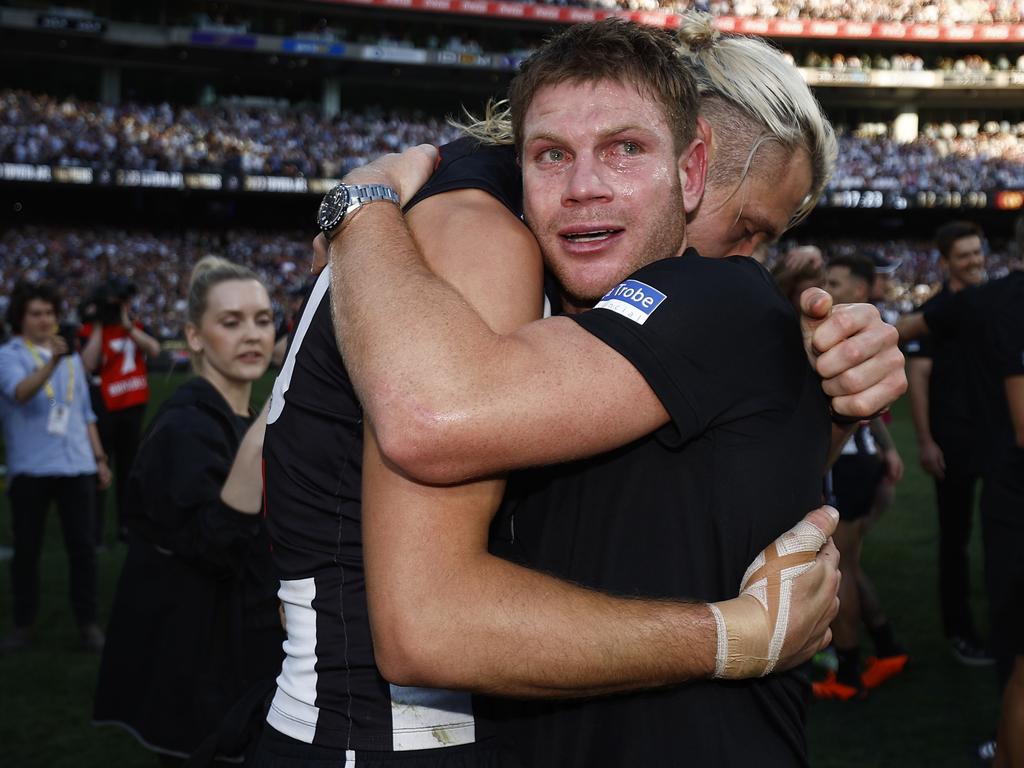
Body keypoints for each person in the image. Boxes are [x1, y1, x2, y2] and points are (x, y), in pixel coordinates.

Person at [260, 17, 903, 768]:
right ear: (692, 162)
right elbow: (428, 581)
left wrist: (818, 375)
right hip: (385, 736)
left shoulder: (489, 226)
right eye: (752, 227)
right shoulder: (480, 234)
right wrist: (357, 205)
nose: (746, 262)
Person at [93, 257, 283, 765]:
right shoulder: (185, 427)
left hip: (239, 661)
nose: (252, 335)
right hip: (200, 676)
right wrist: (274, 422)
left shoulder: (235, 416)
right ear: (194, 337)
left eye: (262, 320)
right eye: (231, 321)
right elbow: (216, 546)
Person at [813, 255, 908, 700]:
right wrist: (889, 451)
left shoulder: (845, 333)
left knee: (840, 568)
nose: (825, 288)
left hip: (846, 464)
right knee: (850, 561)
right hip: (862, 458)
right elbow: (871, 412)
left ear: (859, 289)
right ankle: (887, 644)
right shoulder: (857, 333)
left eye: (834, 281)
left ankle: (848, 671)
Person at [0, 281, 111, 653]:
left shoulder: (73, 359)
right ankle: (23, 624)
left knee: (82, 551)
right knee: (27, 551)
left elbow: (84, 413)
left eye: (49, 312)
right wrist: (52, 361)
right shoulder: (10, 355)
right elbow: (20, 392)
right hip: (31, 469)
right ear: (20, 318)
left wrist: (99, 458)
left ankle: (87, 623)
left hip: (76, 464)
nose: (45, 319)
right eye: (36, 313)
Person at [905, 221, 993, 665]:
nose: (975, 261)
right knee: (955, 540)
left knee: (998, 533)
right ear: (945, 262)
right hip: (953, 438)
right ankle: (958, 630)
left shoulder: (990, 304)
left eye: (978, 253)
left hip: (995, 436)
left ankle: (998, 621)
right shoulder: (937, 312)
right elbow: (917, 379)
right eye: (964, 255)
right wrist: (925, 440)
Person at [80, 276, 161, 544]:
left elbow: (155, 350)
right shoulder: (92, 330)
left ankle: (126, 525)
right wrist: (100, 325)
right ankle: (94, 528)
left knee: (129, 467)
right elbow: (88, 364)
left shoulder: (134, 327)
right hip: (105, 407)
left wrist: (128, 327)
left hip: (133, 405)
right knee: (102, 466)